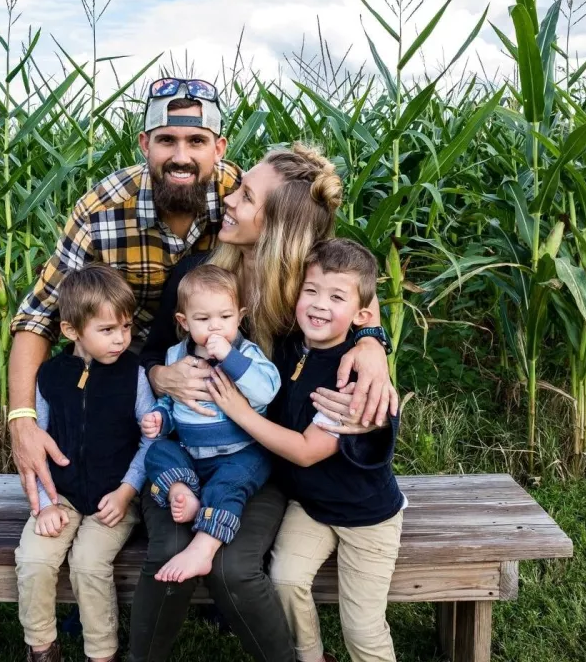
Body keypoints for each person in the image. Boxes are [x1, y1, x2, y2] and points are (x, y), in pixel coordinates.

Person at [131, 144, 397, 662]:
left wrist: (372, 343)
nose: (229, 199)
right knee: (169, 540)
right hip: (191, 446)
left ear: (276, 227)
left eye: (247, 196)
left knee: (240, 563)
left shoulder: (305, 289)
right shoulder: (201, 276)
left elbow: (358, 296)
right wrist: (163, 376)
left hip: (262, 460)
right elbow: (149, 352)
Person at [8, 78, 241, 516]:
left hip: (216, 365)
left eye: (197, 140)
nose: (181, 156)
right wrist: (21, 421)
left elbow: (324, 262)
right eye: (166, 140)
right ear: (144, 144)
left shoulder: (242, 198)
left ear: (219, 147)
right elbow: (37, 317)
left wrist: (368, 339)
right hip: (123, 373)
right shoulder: (102, 208)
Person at [208, 238, 405, 662]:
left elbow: (304, 450)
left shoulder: (351, 374)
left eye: (337, 297)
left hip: (365, 515)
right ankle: (311, 656)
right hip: (311, 505)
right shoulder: (286, 347)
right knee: (285, 579)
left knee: (362, 627)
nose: (318, 305)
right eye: (311, 291)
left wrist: (239, 412)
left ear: (362, 315)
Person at [14, 265, 158, 662]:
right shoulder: (49, 377)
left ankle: (102, 653)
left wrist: (127, 490)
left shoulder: (134, 375)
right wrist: (44, 505)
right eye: (108, 330)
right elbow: (37, 445)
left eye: (126, 328)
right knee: (34, 558)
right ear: (72, 331)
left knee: (89, 564)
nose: (121, 339)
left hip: (114, 498)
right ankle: (42, 647)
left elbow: (151, 440)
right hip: (61, 496)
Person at [141, 265, 280, 582]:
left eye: (225, 317)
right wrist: (159, 418)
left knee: (229, 483)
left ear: (240, 317)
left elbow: (267, 390)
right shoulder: (176, 353)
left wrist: (229, 357)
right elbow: (170, 400)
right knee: (158, 451)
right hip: (192, 452)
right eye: (203, 320)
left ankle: (204, 547)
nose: (215, 327)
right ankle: (182, 490)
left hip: (240, 451)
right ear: (183, 321)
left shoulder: (246, 353)